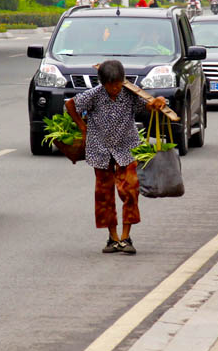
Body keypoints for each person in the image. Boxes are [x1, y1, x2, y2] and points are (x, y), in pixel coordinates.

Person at [65, 60, 166, 254]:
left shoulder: (129, 94)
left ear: (123, 81)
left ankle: (126, 237)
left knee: (130, 190)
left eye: (118, 83)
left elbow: (149, 105)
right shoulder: (94, 95)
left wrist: (158, 101)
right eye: (110, 84)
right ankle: (113, 238)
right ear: (103, 83)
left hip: (126, 148)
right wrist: (82, 127)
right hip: (100, 150)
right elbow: (71, 105)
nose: (114, 88)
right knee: (104, 195)